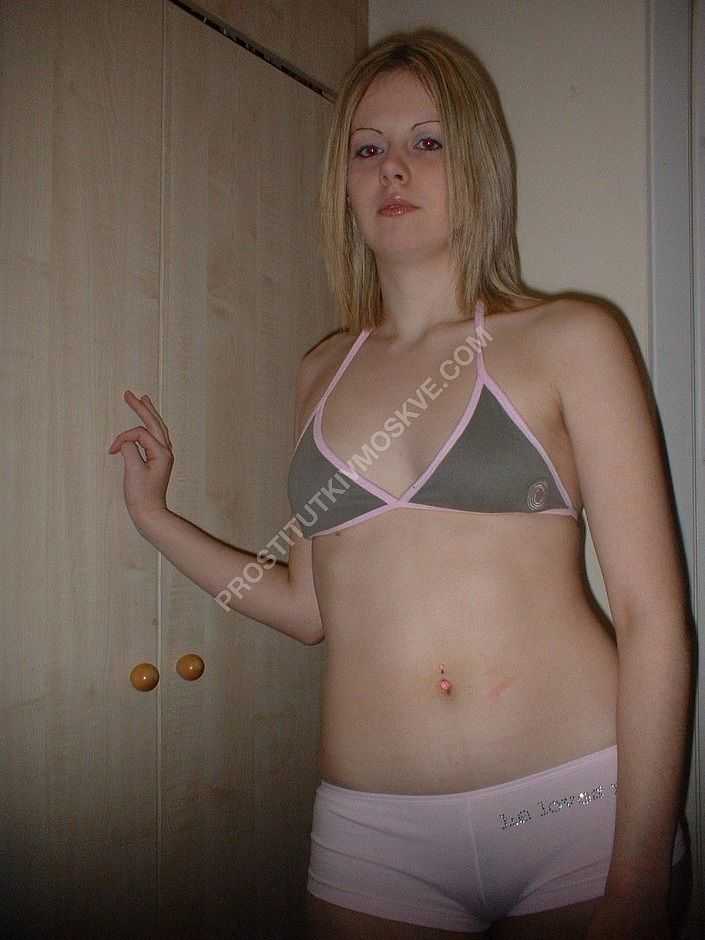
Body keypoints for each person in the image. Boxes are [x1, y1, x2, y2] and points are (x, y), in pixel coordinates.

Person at [109, 26, 694, 940]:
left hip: (577, 801)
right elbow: (308, 608)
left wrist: (637, 881)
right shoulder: (320, 372)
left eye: (428, 141)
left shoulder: (572, 339)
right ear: (342, 184)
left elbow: (653, 617)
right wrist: (156, 519)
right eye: (367, 149)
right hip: (375, 832)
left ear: (477, 166)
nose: (393, 168)